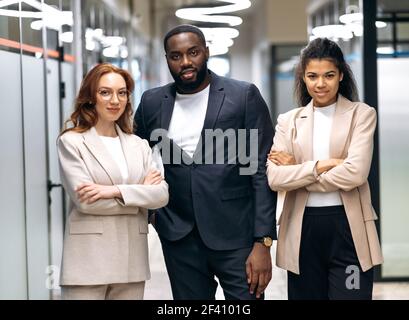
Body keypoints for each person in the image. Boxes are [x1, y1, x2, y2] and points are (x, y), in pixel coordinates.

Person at [135, 25, 277, 300]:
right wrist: (150, 210)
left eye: (193, 52)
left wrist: (263, 241)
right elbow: (134, 153)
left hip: (237, 235)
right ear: (167, 59)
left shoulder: (242, 96)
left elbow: (258, 171)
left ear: (206, 52)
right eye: (176, 56)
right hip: (178, 235)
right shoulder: (153, 102)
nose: (186, 62)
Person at [266, 38, 383, 300]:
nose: (320, 84)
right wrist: (323, 165)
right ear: (303, 78)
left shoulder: (361, 115)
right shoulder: (289, 121)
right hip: (302, 228)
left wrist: (298, 172)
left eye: (329, 75)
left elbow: (355, 173)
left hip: (348, 229)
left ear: (341, 75)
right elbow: (275, 177)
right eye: (313, 76)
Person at [57, 63, 169, 300]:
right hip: (88, 262)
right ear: (90, 97)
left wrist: (113, 191)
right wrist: (140, 197)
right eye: (105, 92)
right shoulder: (72, 142)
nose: (115, 100)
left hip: (131, 262)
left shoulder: (138, 144)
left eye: (122, 92)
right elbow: (86, 202)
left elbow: (161, 195)